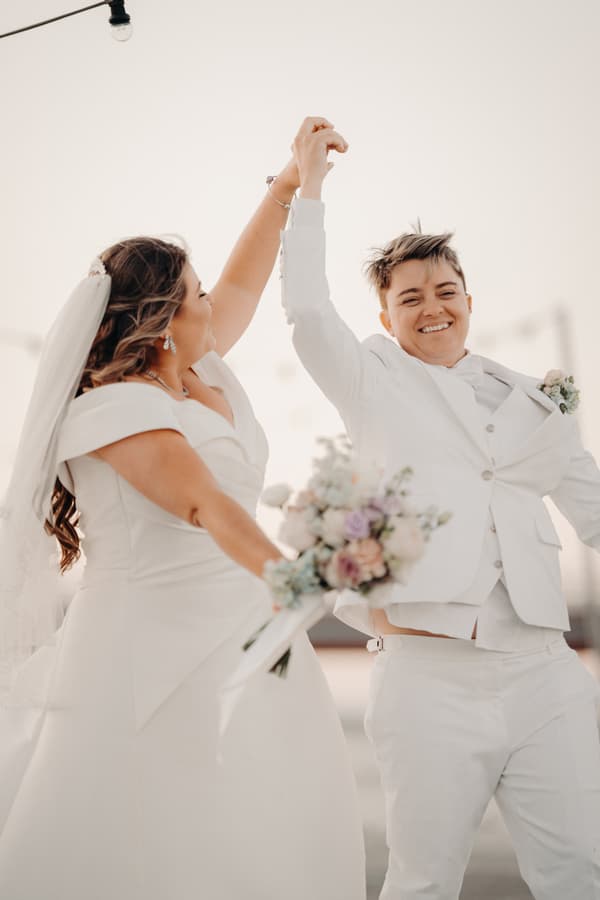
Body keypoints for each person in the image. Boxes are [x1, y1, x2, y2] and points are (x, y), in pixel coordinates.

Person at [0, 117, 366, 900]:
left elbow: (242, 282)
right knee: (161, 833)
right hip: (152, 652)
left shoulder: (204, 378)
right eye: (197, 298)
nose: (215, 305)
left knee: (264, 822)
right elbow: (205, 504)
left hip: (240, 631)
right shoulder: (108, 410)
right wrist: (294, 580)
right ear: (165, 322)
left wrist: (290, 183)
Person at [282, 125, 600, 899]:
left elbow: (593, 507)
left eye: (445, 291)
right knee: (424, 881)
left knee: (582, 873)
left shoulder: (536, 399)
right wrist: (307, 190)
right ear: (388, 317)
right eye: (410, 298)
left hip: (545, 674)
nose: (432, 308)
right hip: (428, 677)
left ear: (468, 299)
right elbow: (309, 312)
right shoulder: (371, 381)